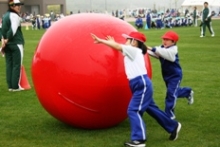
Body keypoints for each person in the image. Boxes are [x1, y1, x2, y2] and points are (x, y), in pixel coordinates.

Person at [91, 31, 181, 147]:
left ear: (134, 42)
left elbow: (119, 47)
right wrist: (112, 43)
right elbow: (119, 47)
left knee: (133, 110)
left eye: (127, 39)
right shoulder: (133, 51)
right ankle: (173, 126)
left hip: (141, 83)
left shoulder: (134, 50)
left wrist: (101, 40)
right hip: (138, 83)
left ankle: (139, 139)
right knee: (151, 108)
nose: (125, 41)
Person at [147, 31, 194, 120]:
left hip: (175, 75)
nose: (164, 41)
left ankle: (169, 114)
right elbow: (156, 53)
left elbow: (162, 53)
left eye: (167, 40)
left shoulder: (173, 50)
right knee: (173, 92)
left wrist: (149, 48)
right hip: (166, 75)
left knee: (171, 93)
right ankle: (188, 92)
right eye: (163, 39)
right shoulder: (162, 48)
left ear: (173, 42)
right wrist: (143, 49)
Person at [1, 0, 25, 91]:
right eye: (17, 5)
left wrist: (3, 39)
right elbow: (13, 29)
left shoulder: (5, 15)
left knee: (9, 64)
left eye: (19, 5)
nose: (19, 7)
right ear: (11, 6)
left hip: (7, 45)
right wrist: (7, 38)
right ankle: (15, 86)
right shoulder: (15, 16)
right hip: (15, 43)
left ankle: (10, 86)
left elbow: (1, 29)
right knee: (16, 65)